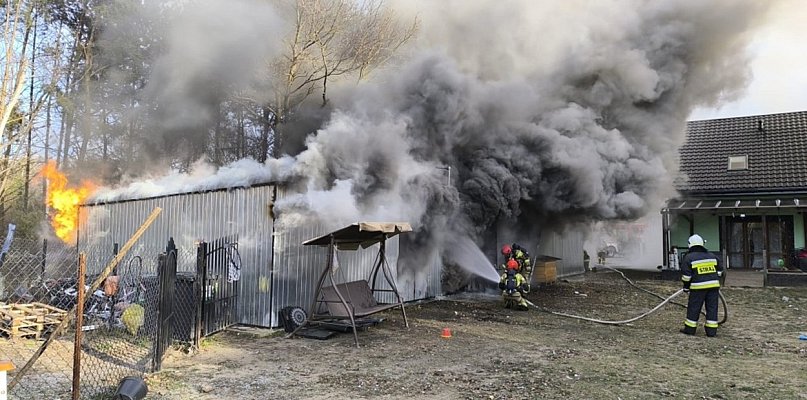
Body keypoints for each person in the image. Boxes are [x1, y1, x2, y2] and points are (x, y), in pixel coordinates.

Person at [680, 234, 724, 337]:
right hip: (713, 287)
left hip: (698, 288)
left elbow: (686, 276)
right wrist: (713, 278)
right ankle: (711, 332)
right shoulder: (712, 256)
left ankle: (690, 329)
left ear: (690, 245)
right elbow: (720, 271)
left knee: (694, 308)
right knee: (712, 308)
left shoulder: (689, 257)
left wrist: (686, 287)